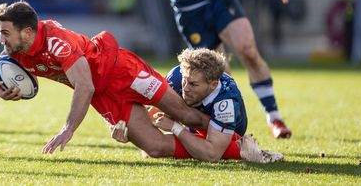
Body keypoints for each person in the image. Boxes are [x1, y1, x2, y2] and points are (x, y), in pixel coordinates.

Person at [0, 0, 211, 157]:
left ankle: (231, 139)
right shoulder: (15, 50)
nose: (1, 39)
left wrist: (68, 129)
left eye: (5, 33)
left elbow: (84, 86)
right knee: (155, 148)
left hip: (123, 72)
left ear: (27, 32)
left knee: (185, 115)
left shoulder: (57, 43)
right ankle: (214, 149)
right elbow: (3, 71)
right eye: (0, 32)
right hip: (103, 95)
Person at [134, 0, 291, 138]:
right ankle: (229, 132)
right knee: (217, 73)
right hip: (189, 8)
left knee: (248, 49)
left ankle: (274, 117)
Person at [112, 48, 283, 163]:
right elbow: (151, 113)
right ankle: (242, 152)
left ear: (213, 85)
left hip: (226, 133)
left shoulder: (226, 101)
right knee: (151, 148)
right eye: (185, 81)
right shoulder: (177, 77)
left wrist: (175, 128)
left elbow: (212, 154)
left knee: (161, 146)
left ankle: (240, 149)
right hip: (191, 125)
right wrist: (129, 132)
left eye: (193, 84)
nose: (185, 88)